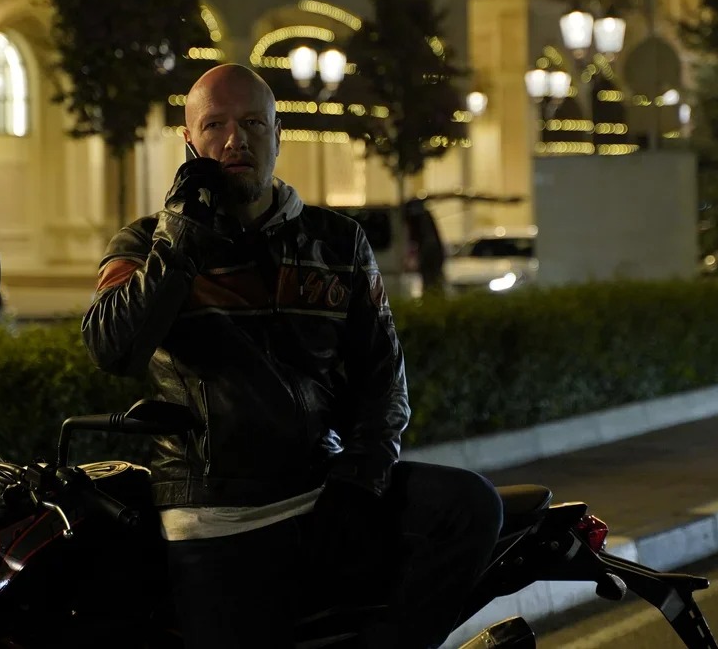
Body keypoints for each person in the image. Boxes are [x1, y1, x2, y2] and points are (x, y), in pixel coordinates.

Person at [82, 64, 503, 649]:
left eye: (253, 123)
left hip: (326, 491)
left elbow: (384, 383)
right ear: (189, 142)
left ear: (278, 135)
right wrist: (180, 233)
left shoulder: (338, 241)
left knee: (470, 506)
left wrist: (358, 483)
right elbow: (112, 348)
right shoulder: (145, 243)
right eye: (215, 125)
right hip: (216, 516)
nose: (235, 140)